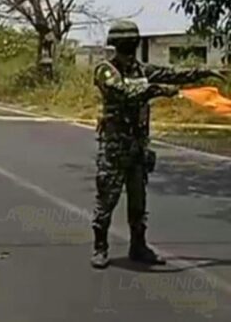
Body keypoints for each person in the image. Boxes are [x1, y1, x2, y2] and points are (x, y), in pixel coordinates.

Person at [91, 20, 225, 269]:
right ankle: (100, 247)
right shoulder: (105, 70)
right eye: (126, 42)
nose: (129, 46)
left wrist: (204, 73)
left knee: (138, 201)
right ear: (117, 44)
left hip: (138, 146)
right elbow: (124, 93)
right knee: (107, 199)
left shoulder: (142, 70)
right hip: (114, 148)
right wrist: (161, 90)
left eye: (132, 41)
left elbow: (174, 74)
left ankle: (138, 246)